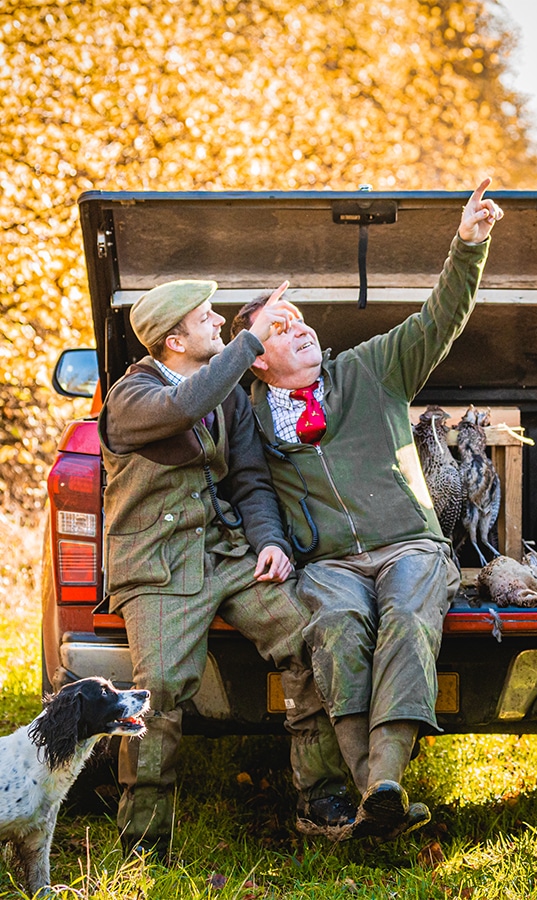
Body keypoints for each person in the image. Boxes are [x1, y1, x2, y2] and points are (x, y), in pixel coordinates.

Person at [230, 178, 503, 839]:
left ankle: (383, 778)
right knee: (340, 630)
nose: (299, 331)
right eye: (279, 329)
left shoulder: (370, 369)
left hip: (410, 543)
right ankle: (376, 792)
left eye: (300, 321)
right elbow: (247, 488)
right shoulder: (250, 417)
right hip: (328, 564)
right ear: (257, 360)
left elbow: (440, 318)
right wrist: (271, 543)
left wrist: (468, 245)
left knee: (409, 613)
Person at [99, 280, 354, 857]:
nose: (219, 323)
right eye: (206, 317)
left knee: (309, 635)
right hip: (158, 565)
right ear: (173, 339)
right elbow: (183, 406)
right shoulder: (131, 396)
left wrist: (267, 540)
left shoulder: (230, 396)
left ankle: (323, 800)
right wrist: (253, 340)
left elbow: (248, 480)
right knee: (158, 690)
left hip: (225, 554)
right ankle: (143, 840)